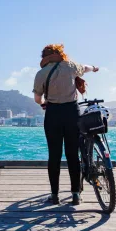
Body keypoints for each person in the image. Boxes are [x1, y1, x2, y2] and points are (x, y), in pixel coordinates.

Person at [32, 44, 99, 205]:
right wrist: (94, 68)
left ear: (44, 57)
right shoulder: (70, 66)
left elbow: (37, 98)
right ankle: (76, 194)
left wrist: (43, 103)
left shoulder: (41, 73)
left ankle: (54, 196)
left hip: (53, 114)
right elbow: (86, 68)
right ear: (60, 54)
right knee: (72, 155)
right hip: (72, 113)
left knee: (54, 156)